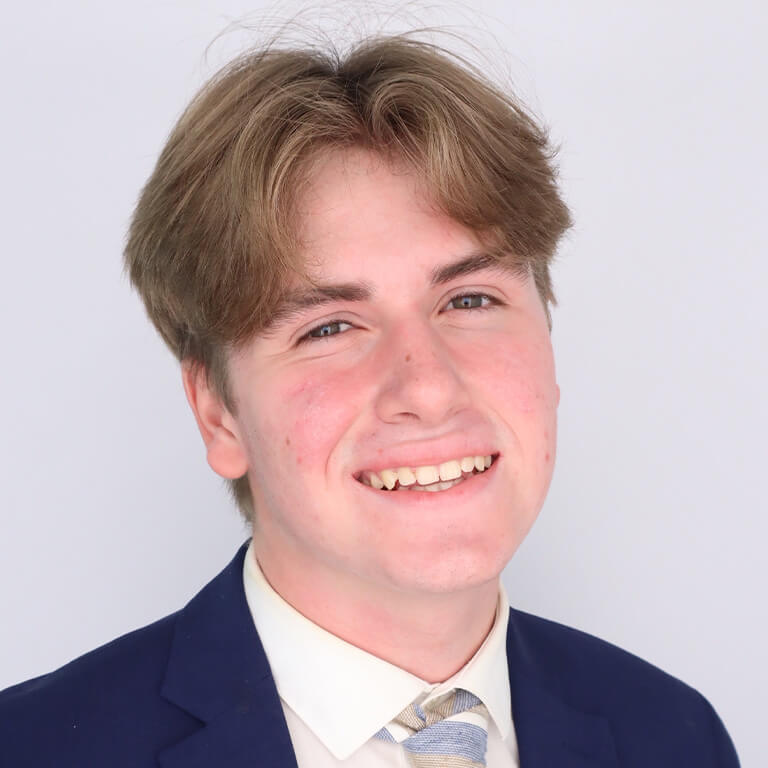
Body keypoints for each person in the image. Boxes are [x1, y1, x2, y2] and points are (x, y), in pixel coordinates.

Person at [0, 33, 740, 767]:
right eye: (329, 327)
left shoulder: (673, 737)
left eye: (470, 299)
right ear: (218, 413)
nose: (428, 387)